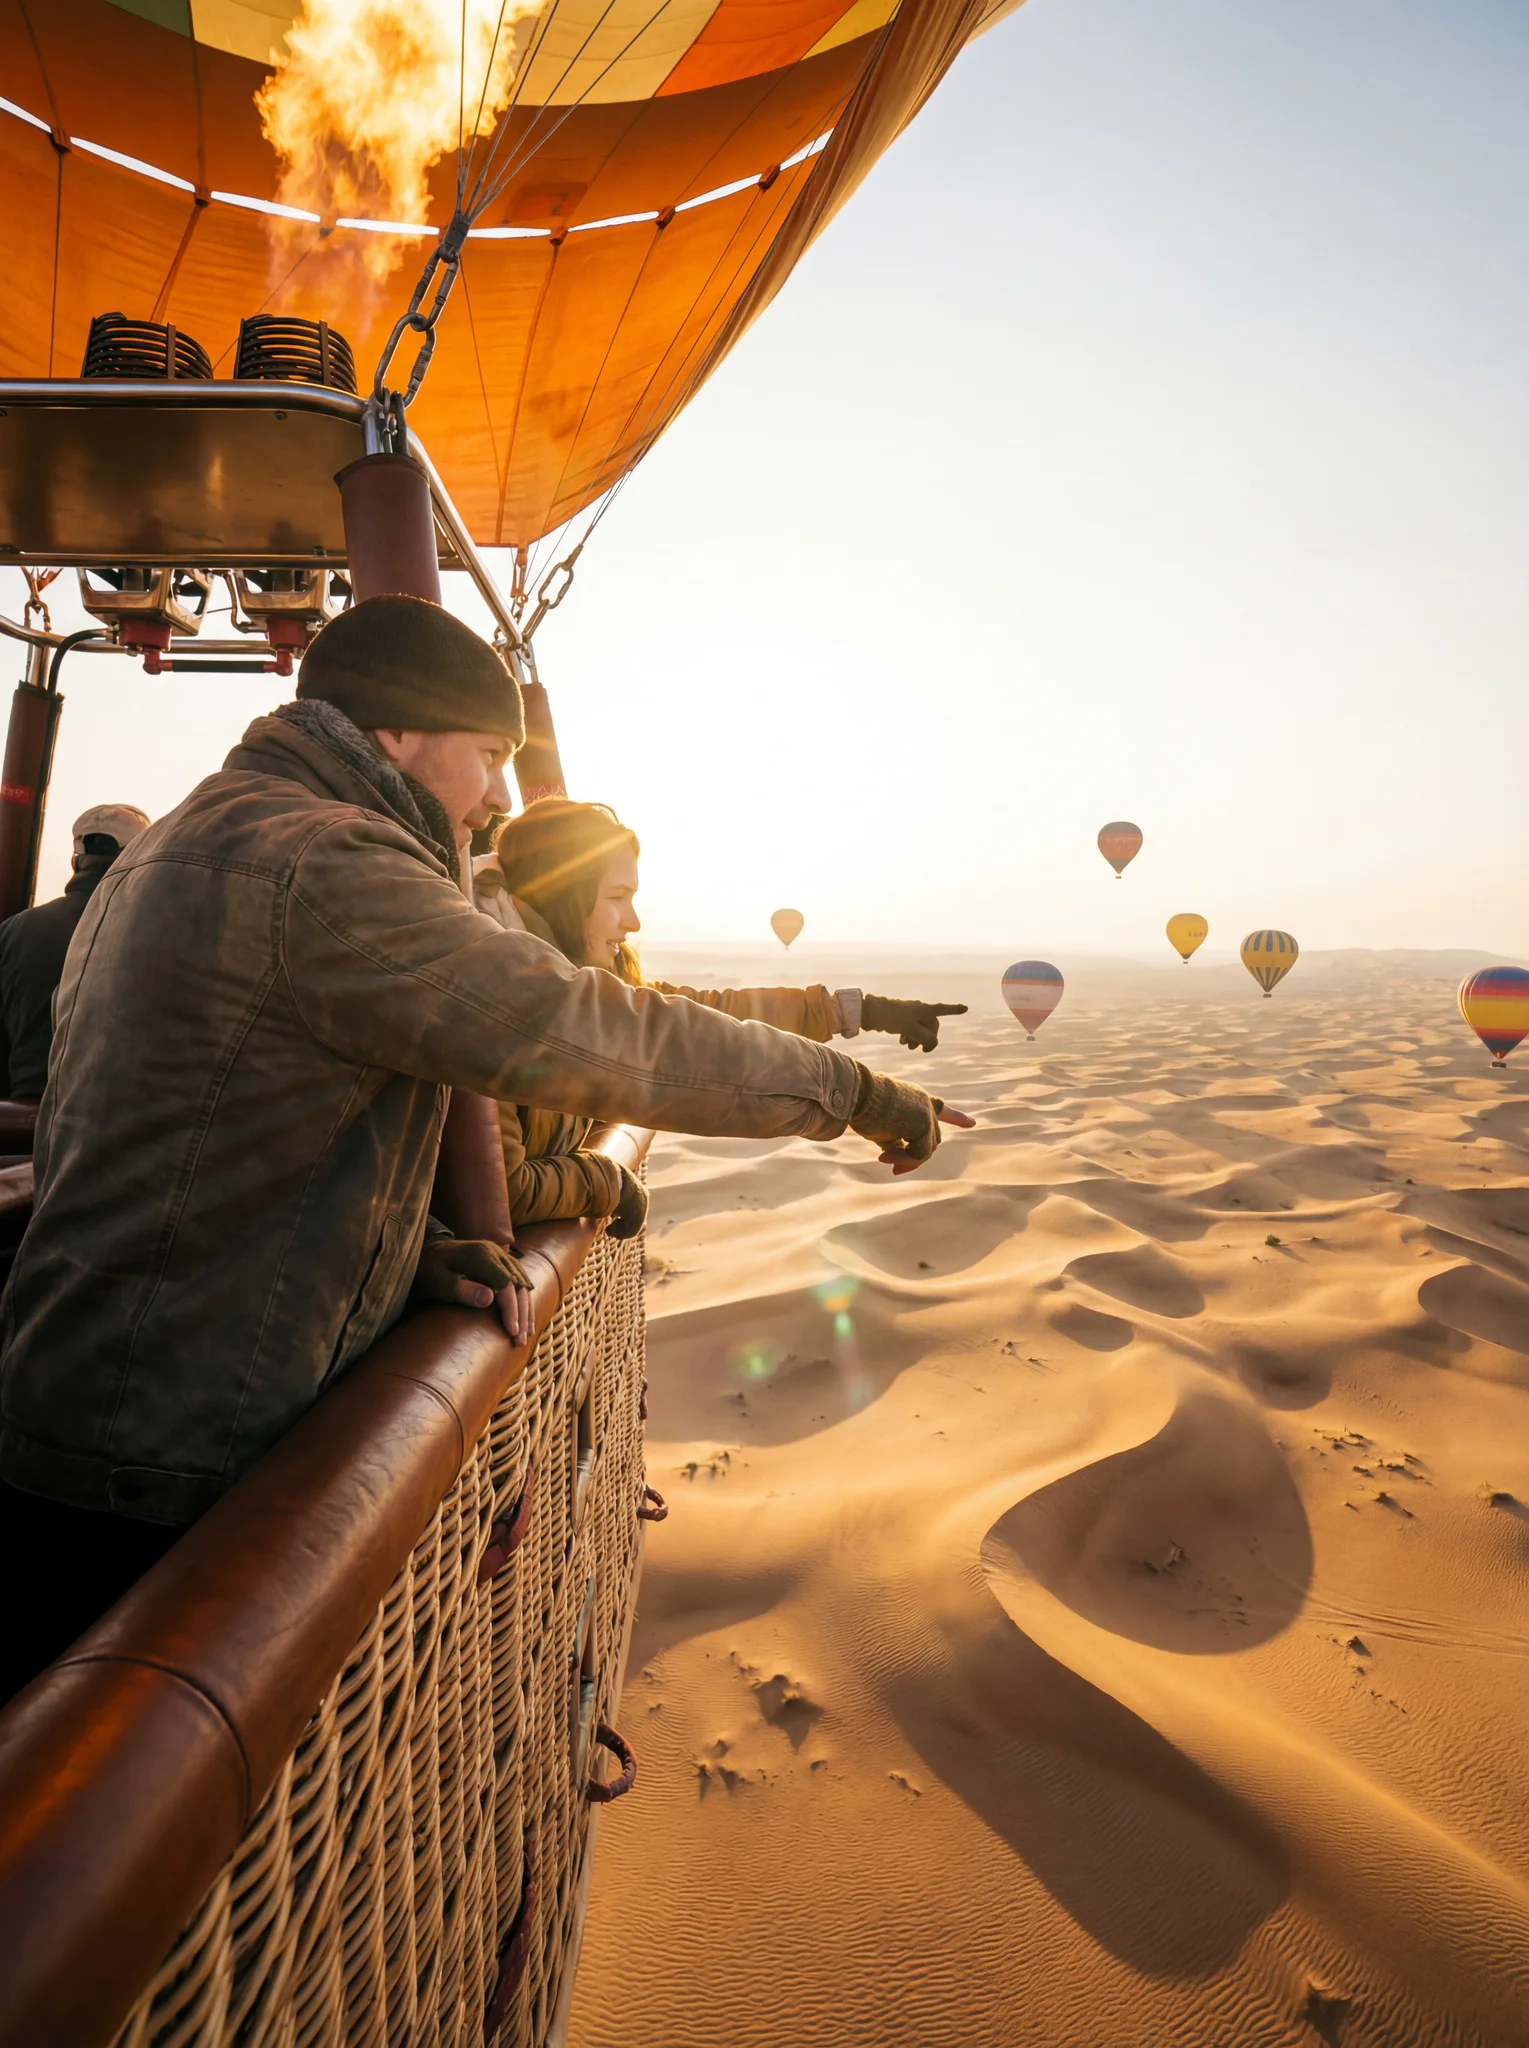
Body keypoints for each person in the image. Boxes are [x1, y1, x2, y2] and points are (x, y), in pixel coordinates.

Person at [0, 595, 969, 1701]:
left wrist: (398, 1247)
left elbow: (208, 1133)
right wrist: (847, 1089)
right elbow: (589, 1034)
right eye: (491, 752)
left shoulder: (189, 837)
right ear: (400, 735)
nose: (501, 793)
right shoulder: (322, 863)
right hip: (164, 1460)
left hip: (94, 1412)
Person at [475, 798, 968, 1236]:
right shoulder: (496, 993)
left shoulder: (582, 981)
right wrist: (607, 1178)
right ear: (563, 893)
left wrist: (867, 1011)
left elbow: (710, 1015)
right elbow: (505, 1192)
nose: (634, 920)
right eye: (616, 897)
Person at [0, 803, 150, 1101]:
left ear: (75, 861)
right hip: (109, 1121)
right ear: (141, 859)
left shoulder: (13, 930)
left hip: (20, 1118)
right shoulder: (154, 929)